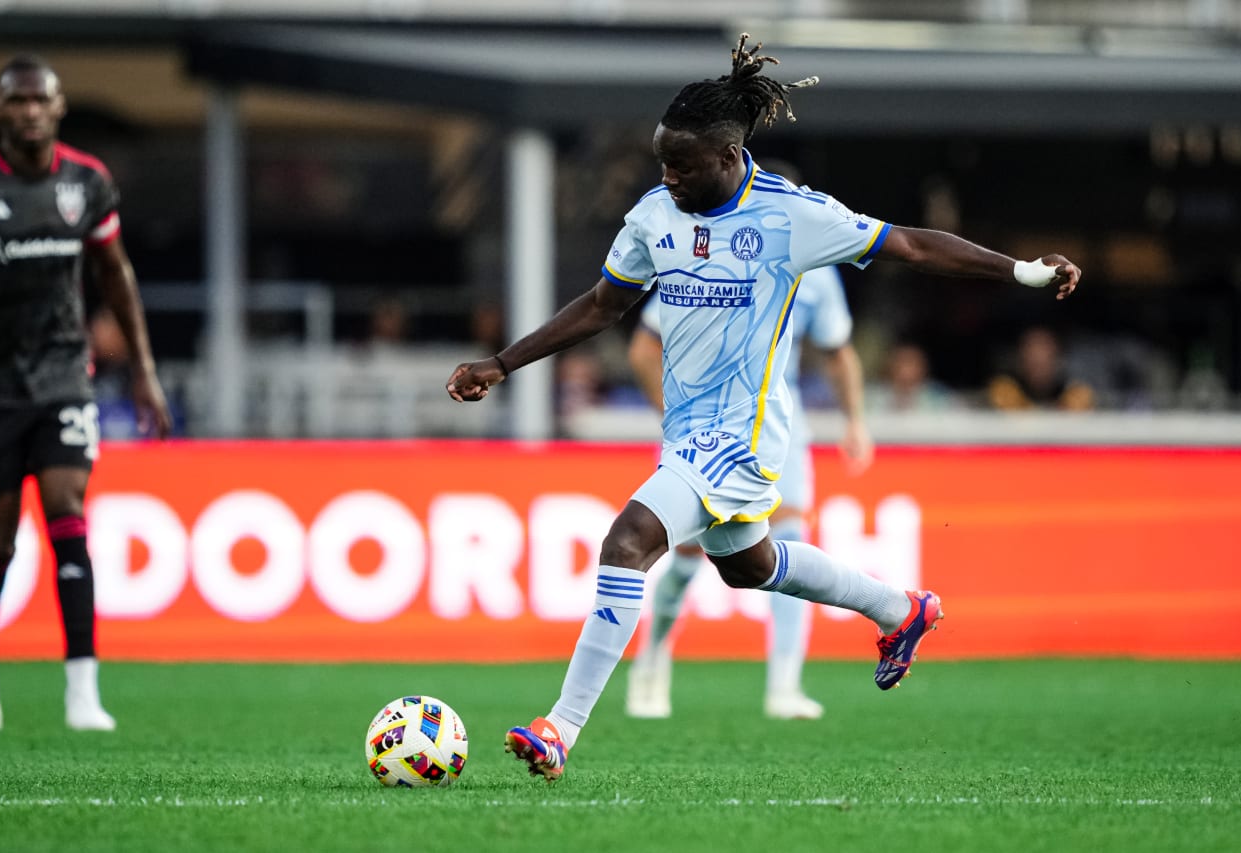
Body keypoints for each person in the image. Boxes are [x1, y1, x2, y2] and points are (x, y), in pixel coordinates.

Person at [446, 33, 1079, 781]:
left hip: (743, 436)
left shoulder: (790, 216)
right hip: (685, 432)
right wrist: (503, 362)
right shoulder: (656, 215)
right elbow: (602, 305)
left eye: (681, 163)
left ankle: (561, 727)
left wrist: (1022, 273)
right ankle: (900, 609)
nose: (668, 176)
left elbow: (907, 243)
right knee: (748, 566)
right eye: (662, 161)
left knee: (628, 543)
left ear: (727, 156)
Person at [0, 56, 172, 731]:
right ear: (2, 109)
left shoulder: (86, 182)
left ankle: (82, 687)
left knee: (66, 509)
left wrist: (142, 369)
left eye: (40, 100)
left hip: (62, 373)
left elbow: (116, 275)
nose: (28, 110)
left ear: (58, 109)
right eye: (16, 100)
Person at [624, 229, 872, 721]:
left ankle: (785, 684)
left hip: (780, 427)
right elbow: (643, 348)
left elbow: (838, 349)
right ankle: (652, 659)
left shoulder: (817, 268)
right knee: (689, 557)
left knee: (790, 535)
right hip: (705, 425)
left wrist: (855, 420)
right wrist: (670, 413)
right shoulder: (706, 256)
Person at [987, 325, 1094, 411]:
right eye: (1032, 361)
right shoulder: (1004, 391)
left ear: (1057, 357)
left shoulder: (1075, 393)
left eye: (1043, 361)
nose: (1037, 358)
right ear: (1020, 359)